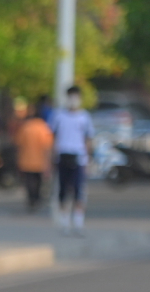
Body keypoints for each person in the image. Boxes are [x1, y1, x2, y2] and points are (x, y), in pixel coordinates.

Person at [52, 85, 93, 233]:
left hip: (79, 158)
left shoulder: (84, 117)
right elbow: (52, 137)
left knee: (78, 191)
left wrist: (88, 158)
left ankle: (78, 221)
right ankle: (64, 222)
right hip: (62, 156)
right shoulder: (59, 116)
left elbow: (88, 139)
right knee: (62, 191)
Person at [14, 102, 53, 213]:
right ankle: (37, 199)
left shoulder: (25, 127)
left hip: (26, 160)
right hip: (40, 161)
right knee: (38, 182)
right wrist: (48, 162)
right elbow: (47, 146)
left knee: (29, 182)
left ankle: (31, 200)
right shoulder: (43, 127)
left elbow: (18, 144)